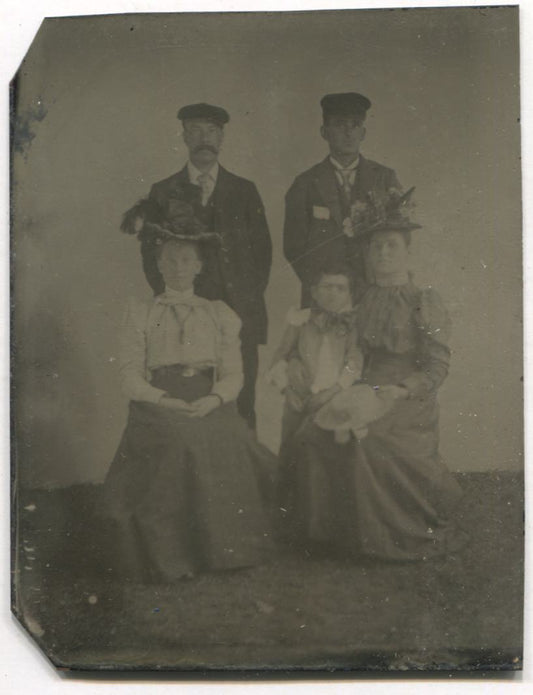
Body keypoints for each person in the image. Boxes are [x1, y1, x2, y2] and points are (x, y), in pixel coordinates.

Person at [280, 189, 465, 561]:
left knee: (366, 440)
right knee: (314, 432)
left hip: (406, 397)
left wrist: (399, 389)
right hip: (363, 384)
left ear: (407, 251)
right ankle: (328, 535)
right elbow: (350, 352)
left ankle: (380, 538)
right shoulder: (362, 299)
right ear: (367, 252)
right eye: (376, 247)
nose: (383, 254)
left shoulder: (423, 300)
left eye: (391, 246)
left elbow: (436, 366)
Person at [102, 200, 275, 583]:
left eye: (187, 260)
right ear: (158, 264)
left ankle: (227, 549)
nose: (179, 268)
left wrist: (213, 399)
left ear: (200, 266)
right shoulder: (141, 312)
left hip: (207, 398)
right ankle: (172, 552)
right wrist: (163, 399)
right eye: (171, 259)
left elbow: (233, 375)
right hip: (158, 400)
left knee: (231, 437)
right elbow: (129, 375)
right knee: (180, 440)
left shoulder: (219, 314)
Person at [122, 102, 272, 429]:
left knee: (240, 399)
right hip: (183, 313)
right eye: (196, 130)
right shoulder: (163, 191)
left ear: (222, 137)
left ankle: (243, 477)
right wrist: (181, 299)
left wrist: (242, 301)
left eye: (212, 131)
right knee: (185, 399)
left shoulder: (245, 191)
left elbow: (262, 256)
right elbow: (152, 258)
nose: (205, 138)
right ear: (184, 136)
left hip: (237, 311)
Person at [283, 92, 402, 308]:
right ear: (324, 132)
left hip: (375, 292)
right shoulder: (305, 183)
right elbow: (294, 247)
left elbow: (399, 240)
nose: (348, 133)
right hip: (325, 294)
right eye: (339, 125)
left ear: (363, 133)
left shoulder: (384, 178)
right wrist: (323, 287)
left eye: (355, 125)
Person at [265, 262, 364, 444]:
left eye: (340, 288)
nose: (333, 293)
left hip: (335, 397)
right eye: (327, 287)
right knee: (294, 446)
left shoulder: (351, 324)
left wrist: (334, 391)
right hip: (300, 397)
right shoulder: (300, 319)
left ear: (350, 294)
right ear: (314, 292)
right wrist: (286, 390)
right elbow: (280, 355)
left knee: (330, 449)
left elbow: (354, 362)